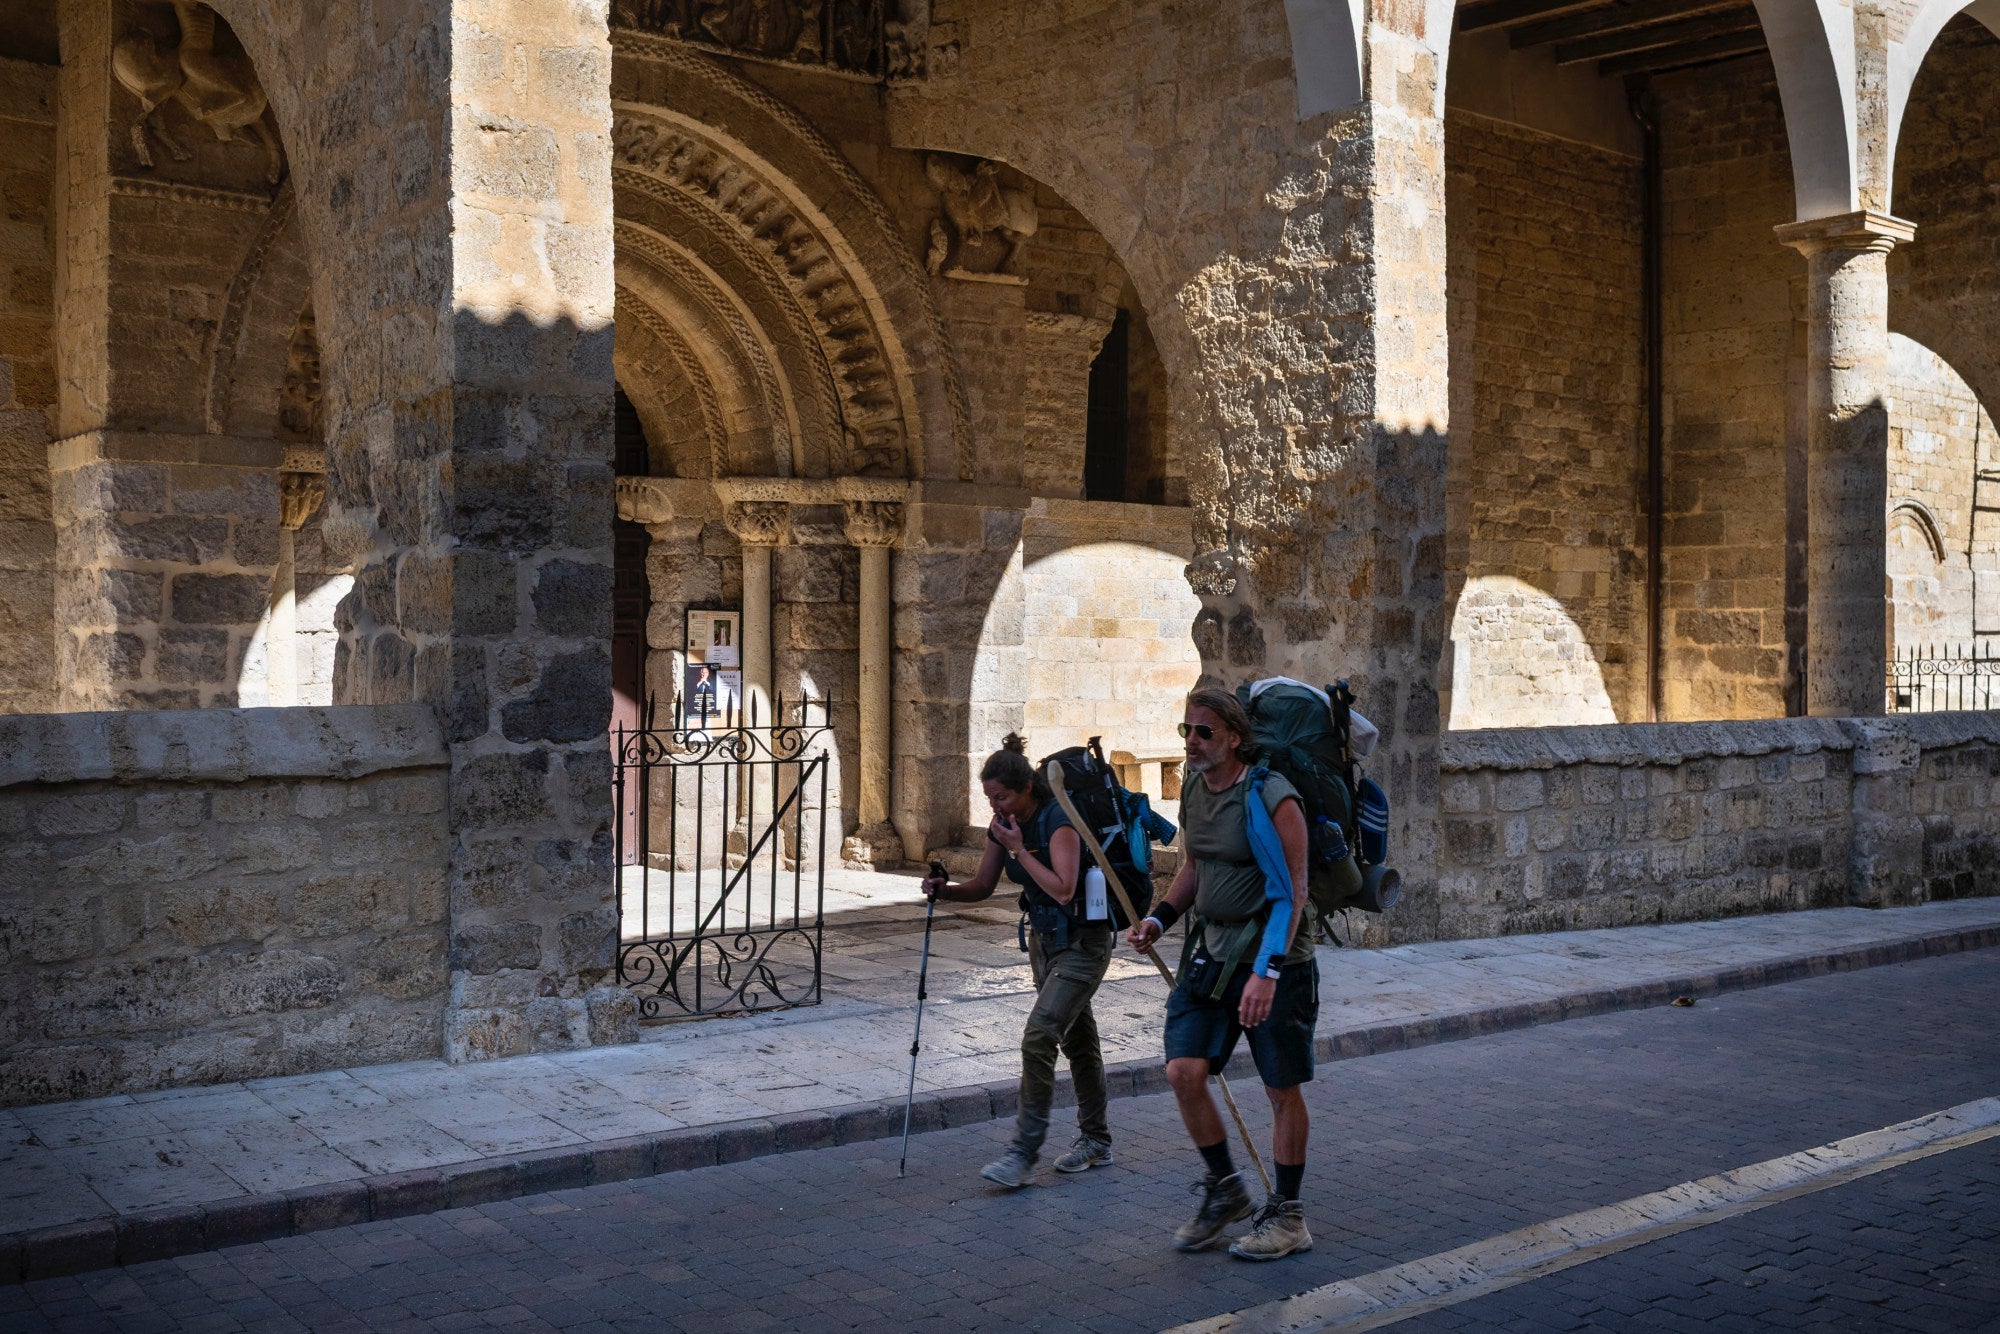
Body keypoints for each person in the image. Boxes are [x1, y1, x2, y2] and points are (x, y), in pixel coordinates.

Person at [1128, 688, 1316, 1260]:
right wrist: (1159, 920)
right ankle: (1226, 1191)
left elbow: (1294, 891)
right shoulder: (1192, 790)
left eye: (1204, 732)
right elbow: (1195, 867)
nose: (1191, 741)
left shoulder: (1272, 797)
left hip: (1274, 958)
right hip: (1210, 954)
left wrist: (1268, 973)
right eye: (1186, 729)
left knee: (1279, 1089)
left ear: (1235, 737)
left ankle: (1288, 1218)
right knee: (1184, 1070)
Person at [923, 734, 1115, 1188]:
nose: (997, 806)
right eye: (990, 798)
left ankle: (1023, 1153)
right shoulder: (1004, 825)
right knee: (1078, 1041)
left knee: (1039, 1037)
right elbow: (983, 886)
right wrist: (944, 891)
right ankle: (1097, 1140)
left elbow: (1065, 888)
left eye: (1003, 796)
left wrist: (1019, 849)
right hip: (1045, 944)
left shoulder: (1058, 820)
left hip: (1084, 944)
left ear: (1027, 787)